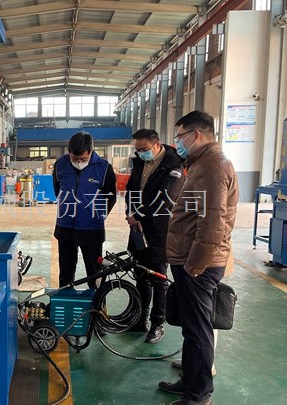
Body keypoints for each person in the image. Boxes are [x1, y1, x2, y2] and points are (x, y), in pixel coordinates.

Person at [158, 111, 238, 405]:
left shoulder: (212, 167)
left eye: (179, 137)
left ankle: (199, 394)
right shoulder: (201, 163)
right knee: (191, 328)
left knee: (199, 331)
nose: (177, 143)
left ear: (196, 135)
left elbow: (213, 222)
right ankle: (190, 381)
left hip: (198, 264)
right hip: (189, 259)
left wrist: (195, 265)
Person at [125, 129, 185, 343]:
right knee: (141, 275)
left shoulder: (173, 165)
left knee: (158, 278)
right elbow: (131, 189)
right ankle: (140, 319)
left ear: (157, 144)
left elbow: (166, 199)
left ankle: (157, 324)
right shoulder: (139, 162)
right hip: (138, 228)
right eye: (138, 149)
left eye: (144, 149)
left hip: (160, 229)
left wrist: (138, 215)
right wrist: (131, 213)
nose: (141, 153)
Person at [53, 131, 116, 289]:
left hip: (92, 230)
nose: (79, 162)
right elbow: (58, 190)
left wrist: (99, 216)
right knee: (65, 275)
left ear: (91, 151)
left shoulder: (104, 168)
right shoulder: (60, 165)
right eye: (75, 159)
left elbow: (111, 197)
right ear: (69, 152)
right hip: (65, 228)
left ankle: (97, 304)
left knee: (95, 275)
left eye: (83, 159)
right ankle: (66, 302)